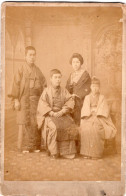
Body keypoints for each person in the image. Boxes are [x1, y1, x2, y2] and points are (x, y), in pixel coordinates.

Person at [8, 46, 47, 153]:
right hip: (24, 99)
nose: (32, 57)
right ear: (25, 56)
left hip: (36, 101)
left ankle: (35, 146)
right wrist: (16, 100)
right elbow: (15, 85)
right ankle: (25, 146)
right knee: (25, 121)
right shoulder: (20, 69)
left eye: (34, 55)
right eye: (30, 55)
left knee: (35, 122)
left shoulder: (37, 70)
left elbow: (44, 84)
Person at [37, 69, 78, 159]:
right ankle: (54, 151)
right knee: (55, 127)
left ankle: (67, 151)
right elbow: (42, 103)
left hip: (62, 114)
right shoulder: (46, 91)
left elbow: (70, 100)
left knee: (70, 124)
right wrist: (51, 112)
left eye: (59, 77)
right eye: (55, 77)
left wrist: (63, 111)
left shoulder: (64, 90)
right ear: (51, 79)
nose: (58, 79)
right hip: (50, 115)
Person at [80, 77, 117, 159]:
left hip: (100, 117)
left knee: (97, 129)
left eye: (96, 86)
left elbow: (104, 109)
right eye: (93, 86)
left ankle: (96, 153)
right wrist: (90, 112)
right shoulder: (87, 97)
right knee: (86, 128)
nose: (95, 88)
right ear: (90, 87)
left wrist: (97, 113)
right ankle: (86, 153)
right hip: (89, 116)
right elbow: (85, 109)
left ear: (99, 87)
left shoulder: (102, 97)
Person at [66, 53, 91, 126]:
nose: (75, 64)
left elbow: (87, 88)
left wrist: (76, 95)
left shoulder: (85, 74)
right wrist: (69, 95)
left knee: (77, 114)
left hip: (81, 100)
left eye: (77, 62)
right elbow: (67, 88)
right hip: (71, 99)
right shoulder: (71, 75)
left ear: (81, 63)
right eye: (73, 62)